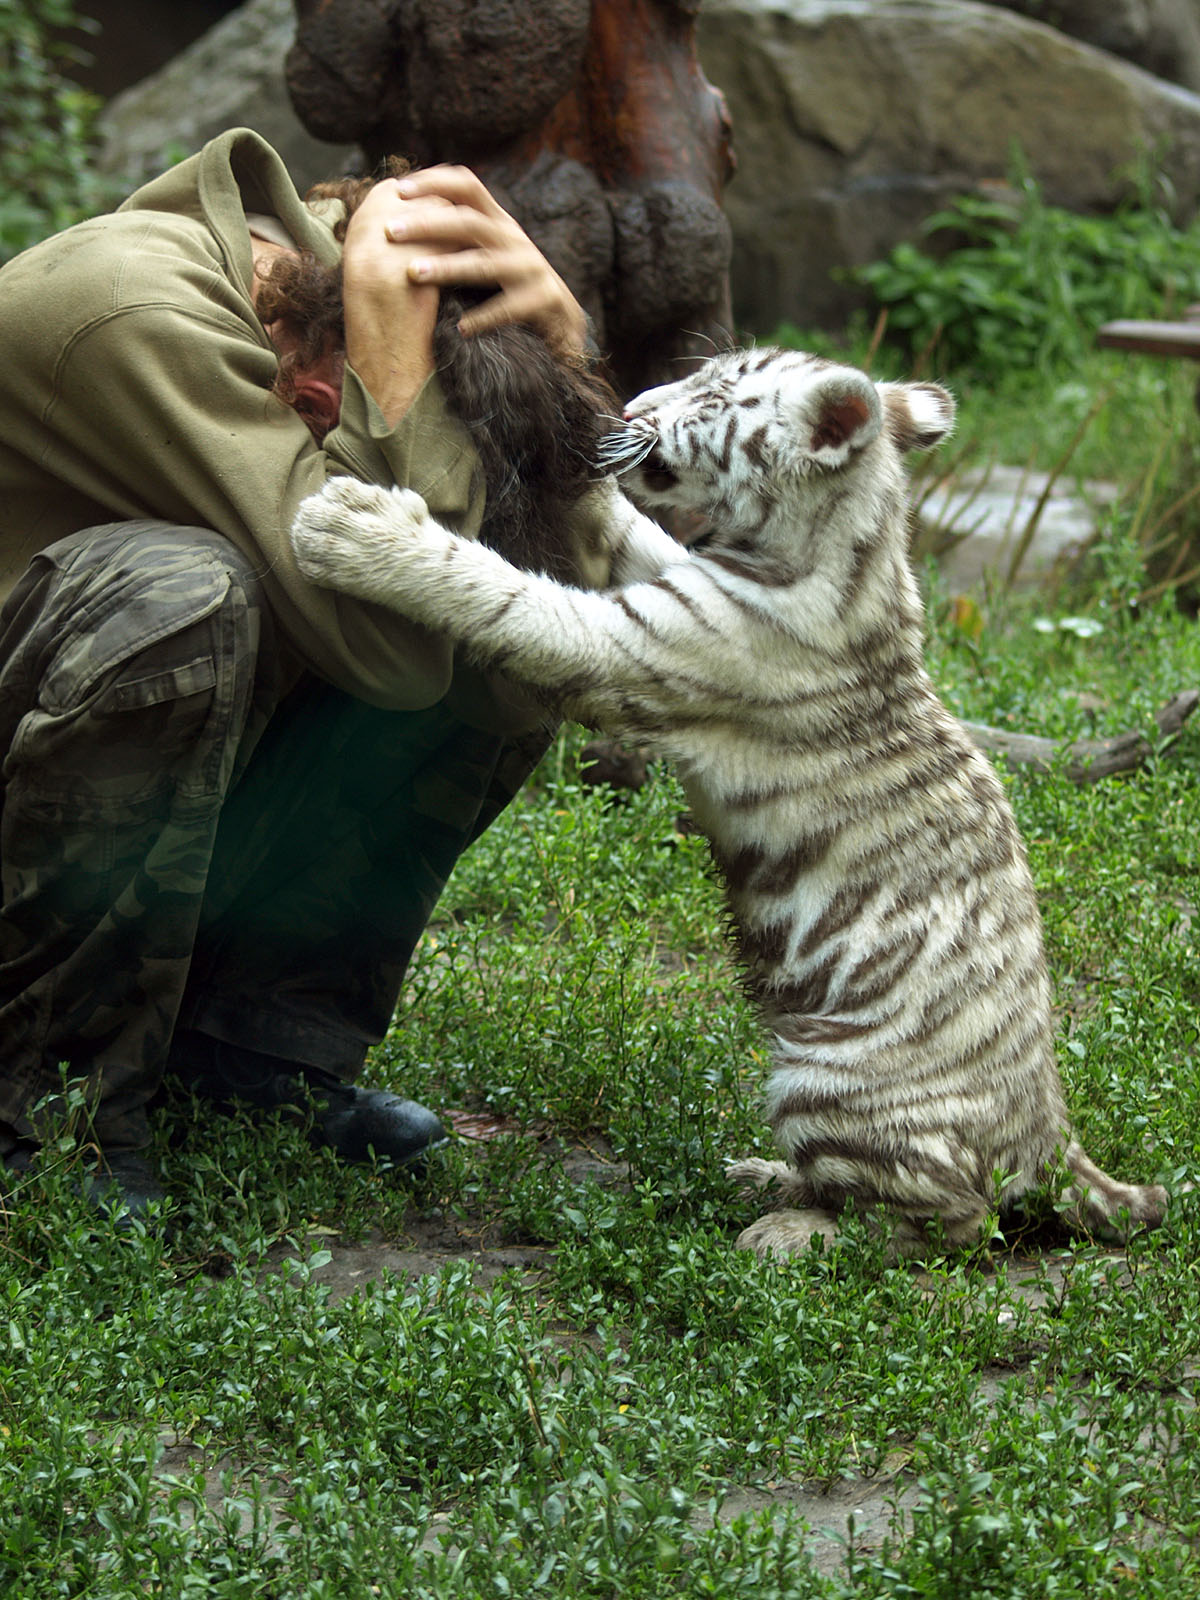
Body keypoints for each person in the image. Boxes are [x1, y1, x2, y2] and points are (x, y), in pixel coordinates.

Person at [0, 127, 611, 1219]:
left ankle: (248, 1053)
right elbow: (391, 643)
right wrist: (391, 374)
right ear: (313, 317)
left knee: (499, 608)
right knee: (180, 597)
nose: (340, 412)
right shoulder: (132, 304)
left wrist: (564, 358)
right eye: (350, 388)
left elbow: (552, 658)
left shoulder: (334, 298)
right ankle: (44, 1108)